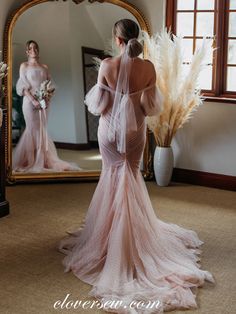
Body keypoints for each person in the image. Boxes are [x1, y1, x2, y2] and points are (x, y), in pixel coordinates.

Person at [58, 19, 214, 313]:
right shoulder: (149, 68)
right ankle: (128, 236)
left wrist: (117, 100)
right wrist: (132, 104)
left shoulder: (106, 66)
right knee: (130, 173)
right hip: (135, 132)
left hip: (109, 132)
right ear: (136, 39)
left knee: (112, 174)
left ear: (117, 40)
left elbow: (100, 107)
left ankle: (110, 239)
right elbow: (150, 107)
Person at [13, 40, 79, 172]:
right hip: (30, 102)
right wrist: (33, 101)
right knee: (32, 129)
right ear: (27, 52)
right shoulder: (24, 66)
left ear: (38, 50)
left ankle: (43, 160)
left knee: (42, 129)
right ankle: (29, 160)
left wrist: (46, 98)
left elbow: (50, 86)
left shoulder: (44, 67)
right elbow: (23, 86)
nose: (33, 50)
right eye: (30, 48)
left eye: (35, 48)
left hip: (44, 102)